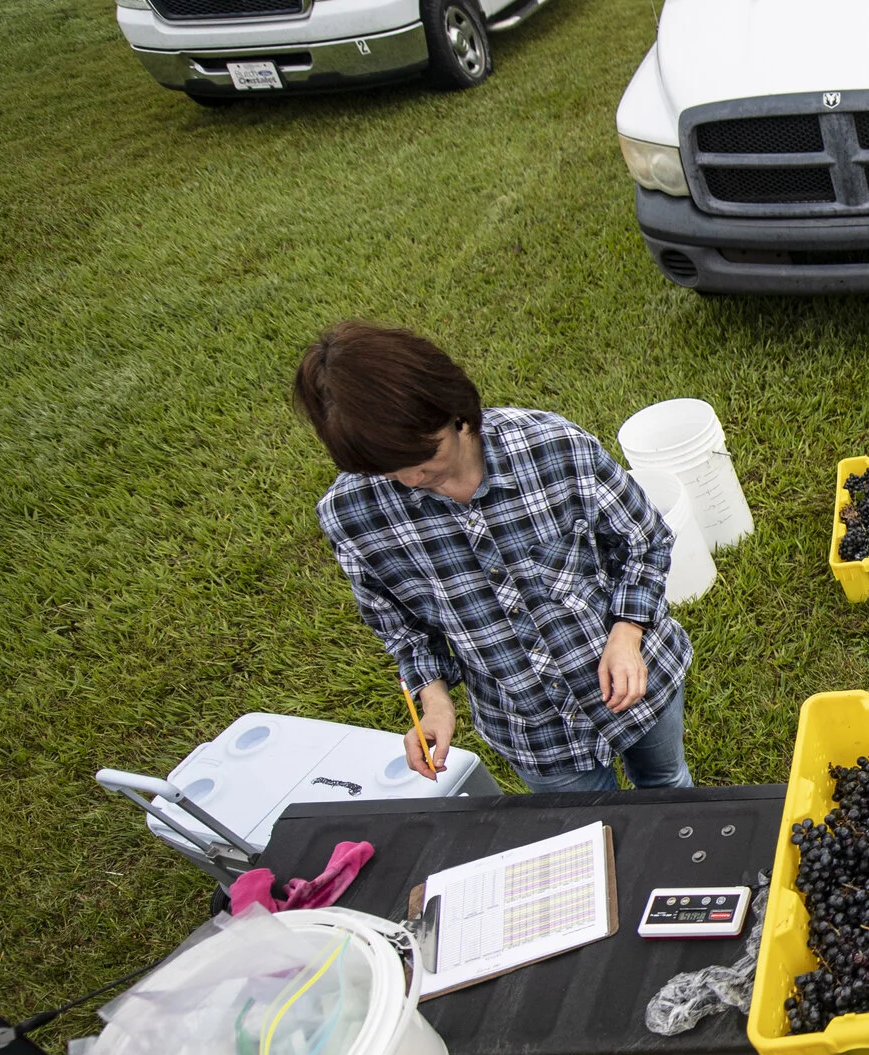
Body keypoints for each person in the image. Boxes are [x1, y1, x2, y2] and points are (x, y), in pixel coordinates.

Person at [293, 322, 696, 794]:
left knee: (667, 783)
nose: (410, 479)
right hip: (533, 730)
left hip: (642, 683)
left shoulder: (553, 445)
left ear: (456, 414)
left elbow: (644, 540)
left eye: (422, 457)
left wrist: (627, 633)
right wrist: (435, 701)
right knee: (591, 827)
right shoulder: (350, 515)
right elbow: (403, 629)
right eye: (386, 469)